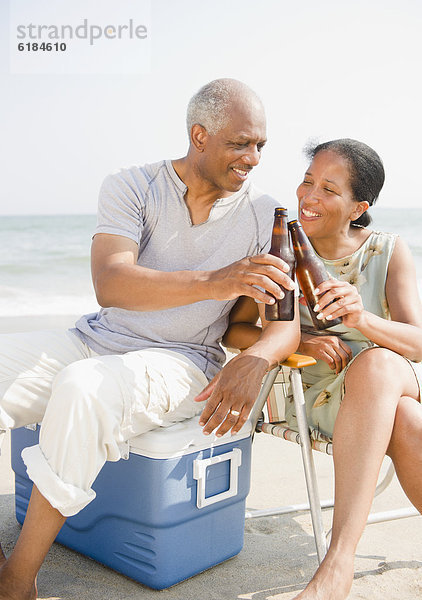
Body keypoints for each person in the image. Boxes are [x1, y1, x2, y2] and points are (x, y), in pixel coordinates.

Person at [0, 78, 300, 600]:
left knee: (84, 387)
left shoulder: (264, 214)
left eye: (260, 146)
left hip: (183, 362)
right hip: (98, 339)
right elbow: (111, 284)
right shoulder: (132, 185)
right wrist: (217, 281)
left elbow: (285, 321)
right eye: (240, 143)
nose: (253, 158)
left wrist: (257, 360)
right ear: (199, 135)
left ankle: (16, 580)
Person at [223, 138, 422, 600]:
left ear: (358, 207)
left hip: (386, 382)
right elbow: (235, 331)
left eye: (328, 189)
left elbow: (418, 343)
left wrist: (362, 320)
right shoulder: (280, 252)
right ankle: (340, 560)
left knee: (376, 365)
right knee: (408, 419)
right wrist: (302, 338)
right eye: (308, 181)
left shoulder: (387, 252)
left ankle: (338, 561)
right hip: (311, 393)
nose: (309, 196)